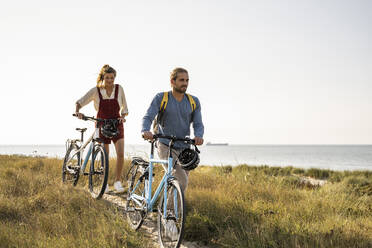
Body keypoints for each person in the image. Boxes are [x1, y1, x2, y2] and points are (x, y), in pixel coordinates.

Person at [141, 67, 204, 193]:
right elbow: (148, 116)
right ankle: (170, 211)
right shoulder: (161, 98)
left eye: (187, 80)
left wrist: (199, 135)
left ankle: (167, 209)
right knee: (182, 180)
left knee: (180, 183)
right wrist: (145, 130)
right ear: (172, 81)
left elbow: (198, 124)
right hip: (165, 145)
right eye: (181, 80)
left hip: (185, 147)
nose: (185, 83)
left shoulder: (193, 101)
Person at [75, 64, 128, 193]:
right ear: (102, 77)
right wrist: (78, 112)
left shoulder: (119, 89)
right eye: (107, 78)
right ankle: (104, 185)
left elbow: (124, 108)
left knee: (120, 154)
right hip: (101, 123)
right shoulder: (96, 90)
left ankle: (117, 182)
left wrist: (123, 116)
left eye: (112, 78)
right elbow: (80, 102)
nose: (110, 80)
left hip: (116, 123)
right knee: (105, 155)